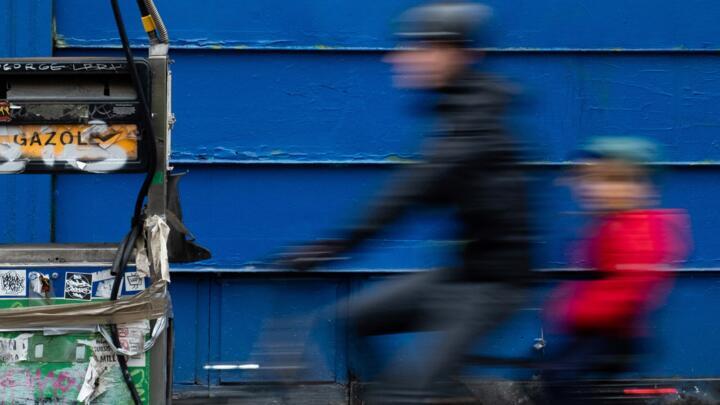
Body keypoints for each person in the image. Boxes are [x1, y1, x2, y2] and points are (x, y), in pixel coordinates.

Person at [278, 1, 533, 402]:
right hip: (461, 275)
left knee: (404, 393)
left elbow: (409, 192)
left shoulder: (475, 121)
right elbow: (421, 190)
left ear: (456, 54)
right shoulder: (453, 111)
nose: (397, 57)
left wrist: (334, 247)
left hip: (494, 287)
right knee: (353, 318)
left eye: (418, 47)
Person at [541, 137, 691, 403]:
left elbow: (629, 288)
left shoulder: (639, 231)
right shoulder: (611, 223)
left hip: (614, 334)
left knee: (559, 378)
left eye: (613, 181)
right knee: (554, 373)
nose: (597, 189)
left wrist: (574, 311)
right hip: (595, 330)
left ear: (643, 188)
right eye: (593, 180)